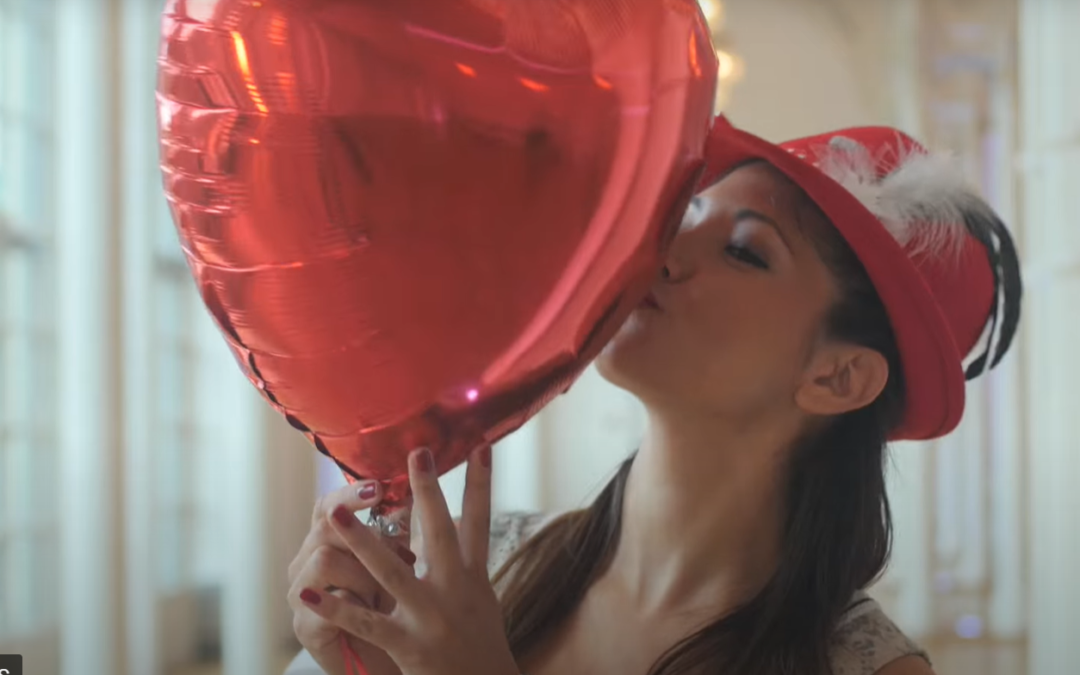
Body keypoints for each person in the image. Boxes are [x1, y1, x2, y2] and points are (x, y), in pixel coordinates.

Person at [282, 116, 1022, 675]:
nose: (661, 253)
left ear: (838, 377)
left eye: (744, 251)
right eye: (684, 220)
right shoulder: (481, 571)